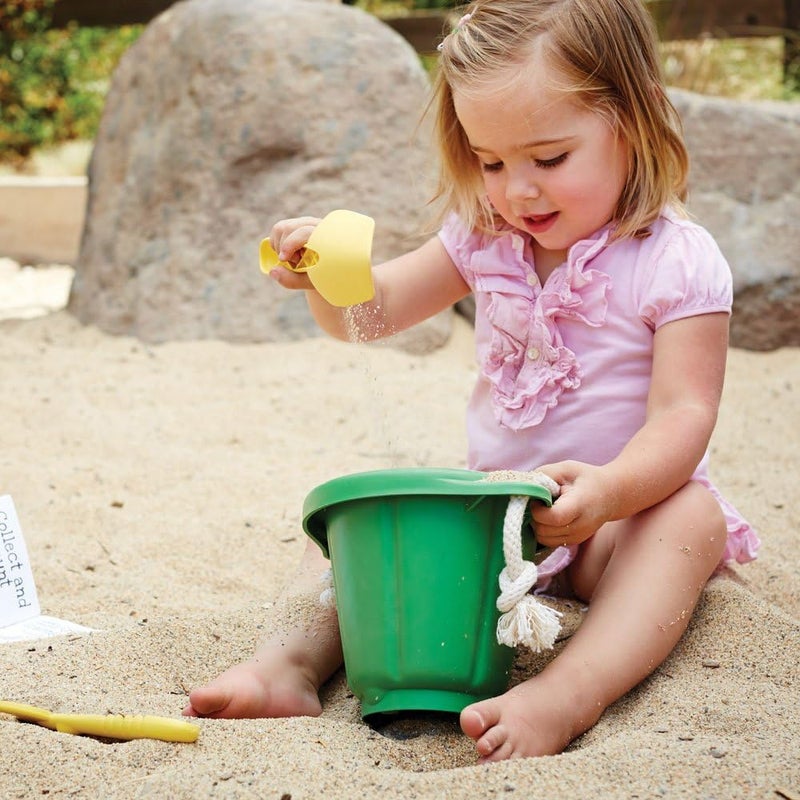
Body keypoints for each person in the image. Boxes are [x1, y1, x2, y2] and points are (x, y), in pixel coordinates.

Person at [184, 0, 760, 761]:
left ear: (636, 117)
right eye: (491, 162)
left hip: (612, 524)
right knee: (356, 527)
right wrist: (327, 276)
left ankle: (567, 692)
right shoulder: (484, 237)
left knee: (690, 520)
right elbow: (376, 311)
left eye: (549, 159)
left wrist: (611, 493)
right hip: (491, 518)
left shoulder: (676, 261)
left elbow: (686, 415)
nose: (517, 191)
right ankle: (286, 665)